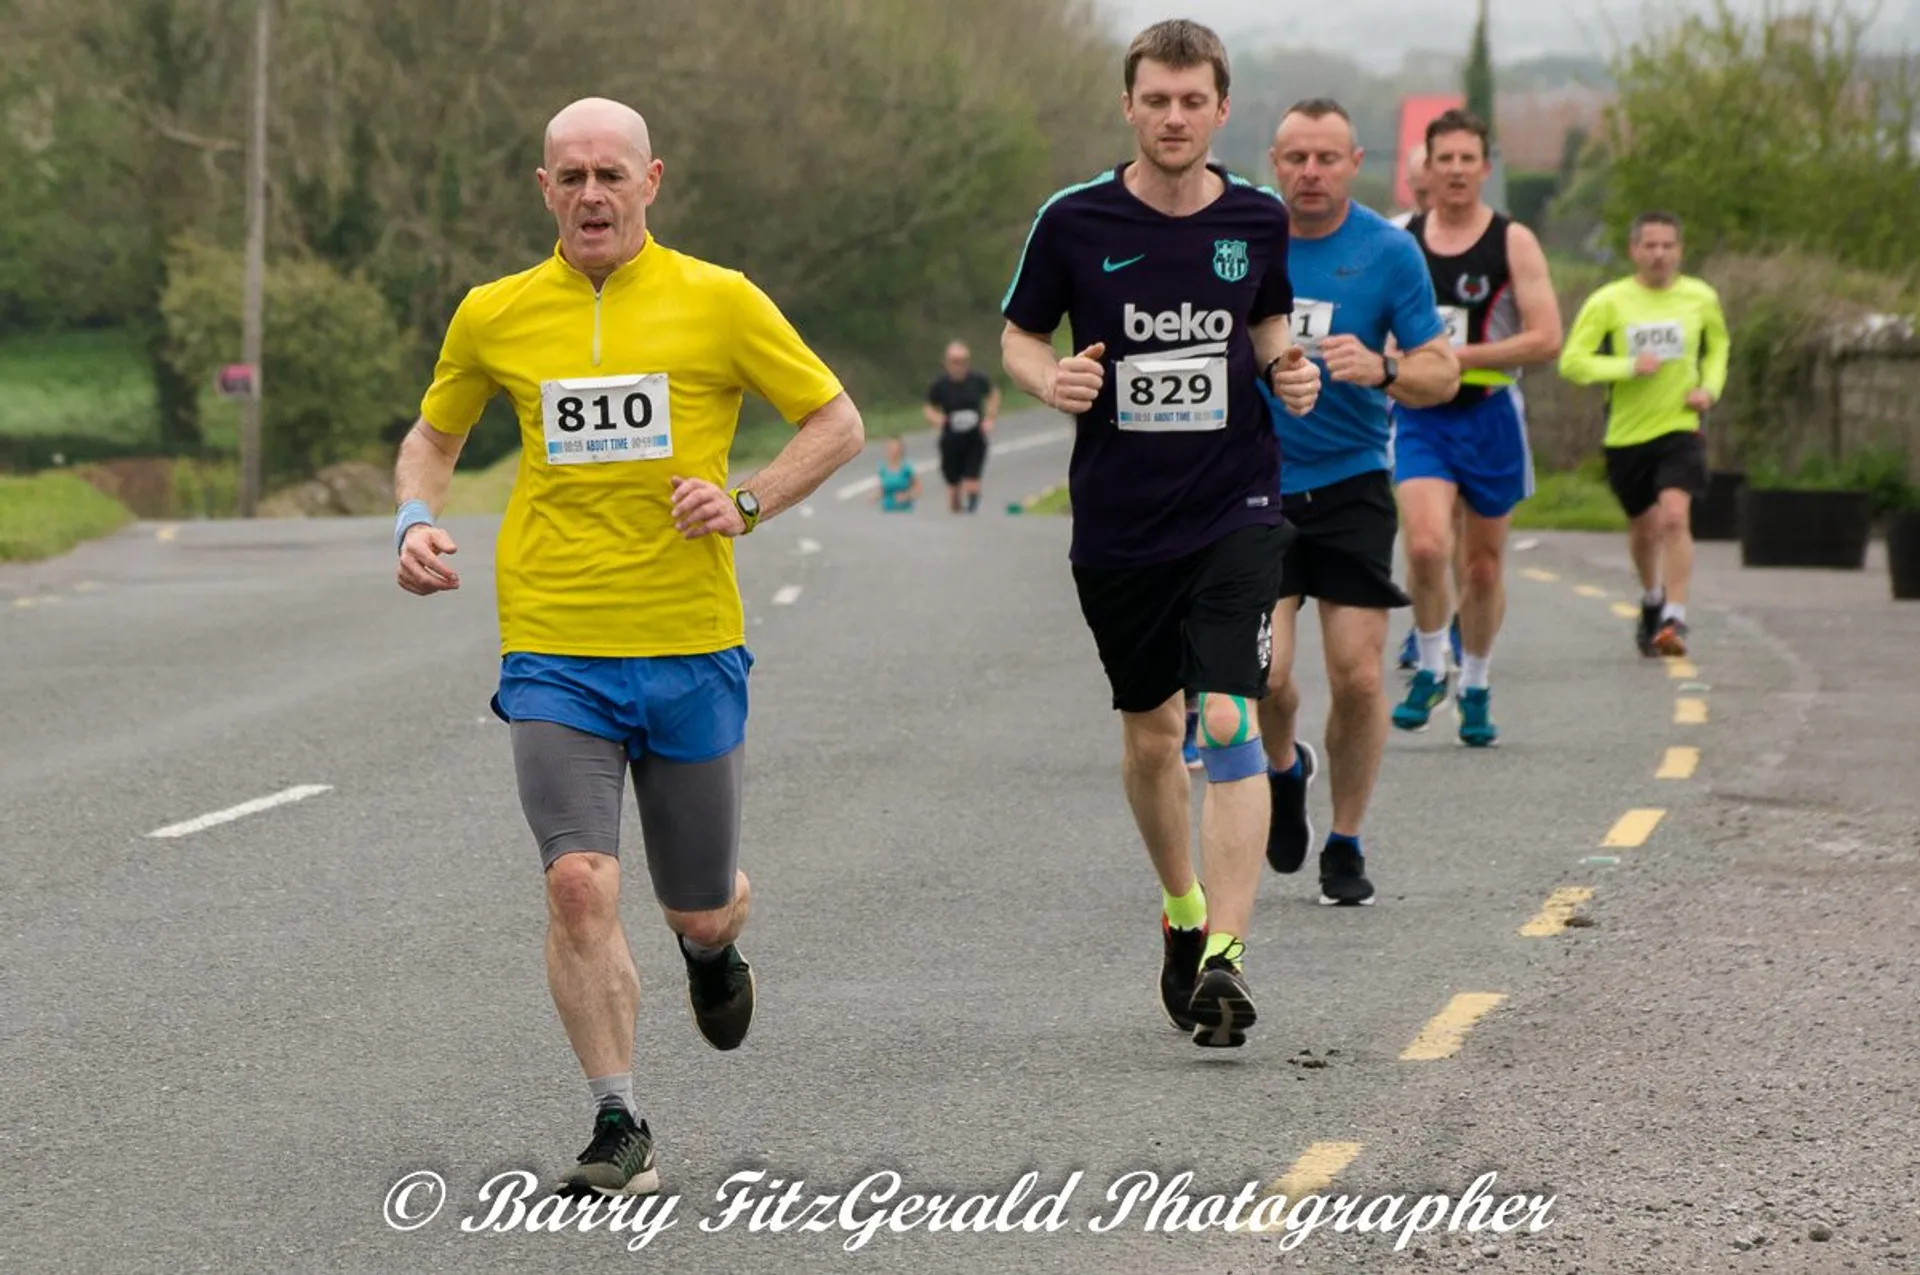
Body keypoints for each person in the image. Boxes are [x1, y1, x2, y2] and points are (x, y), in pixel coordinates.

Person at [390, 97, 863, 1198]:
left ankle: (710, 947)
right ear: (543, 189)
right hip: (554, 644)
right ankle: (620, 1119)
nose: (592, 194)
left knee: (696, 900)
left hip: (690, 643)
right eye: (572, 177)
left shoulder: (720, 299)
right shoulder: (495, 313)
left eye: (612, 174)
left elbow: (835, 422)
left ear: (652, 182)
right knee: (576, 883)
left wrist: (746, 503)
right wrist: (414, 518)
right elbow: (434, 436)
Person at [999, 19, 1321, 1049]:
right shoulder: (1073, 220)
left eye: (1192, 101)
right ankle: (1182, 907)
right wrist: (1050, 378)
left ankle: (1227, 952)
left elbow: (1266, 321)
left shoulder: (1257, 218)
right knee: (1151, 736)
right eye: (1156, 100)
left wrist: (1288, 370)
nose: (1174, 118)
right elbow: (1019, 333)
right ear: (1128, 106)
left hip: (1237, 504)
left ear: (1222, 109)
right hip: (1121, 522)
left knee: (1224, 716)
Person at [1258, 99, 1460, 906]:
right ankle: (1284, 770)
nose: (1311, 173)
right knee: (1267, 676)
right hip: (1256, 485)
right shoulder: (1244, 241)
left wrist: (1382, 369)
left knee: (1359, 676)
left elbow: (1441, 372)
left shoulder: (1387, 251)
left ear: (1355, 163)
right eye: (1296, 158)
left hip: (1350, 482)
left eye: (1327, 158)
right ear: (1274, 162)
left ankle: (1344, 839)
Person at [1390, 108, 1563, 747]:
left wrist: (1457, 357)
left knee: (1483, 568)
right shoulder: (1399, 238)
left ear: (1486, 168)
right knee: (1426, 546)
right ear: (1427, 169)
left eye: (1468, 159)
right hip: (1420, 416)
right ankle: (1431, 664)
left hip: (1489, 415)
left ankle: (1477, 683)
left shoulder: (1513, 241)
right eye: (1446, 159)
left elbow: (1547, 337)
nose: (1457, 170)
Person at [1559, 211, 1729, 658]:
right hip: (1627, 434)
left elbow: (1718, 347)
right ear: (1633, 251)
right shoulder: (1609, 301)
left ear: (1680, 250)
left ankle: (1676, 616)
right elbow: (1573, 362)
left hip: (1680, 426)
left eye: (1667, 246)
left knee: (1674, 517)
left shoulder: (1700, 297)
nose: (1659, 254)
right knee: (1643, 528)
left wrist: (1709, 389)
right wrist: (1628, 366)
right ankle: (1652, 597)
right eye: (1649, 246)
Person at [923, 341, 1001, 513]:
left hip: (974, 437)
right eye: (954, 362)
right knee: (953, 486)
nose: (958, 366)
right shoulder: (940, 385)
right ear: (946, 363)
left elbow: (993, 394)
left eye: (962, 361)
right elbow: (928, 407)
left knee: (972, 479)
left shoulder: (977, 380)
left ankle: (972, 507)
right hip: (951, 439)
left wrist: (990, 418)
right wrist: (938, 419)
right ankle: (956, 512)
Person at [1387, 142, 1431, 229]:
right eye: (1422, 194)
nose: (1430, 202)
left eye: (1436, 192)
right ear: (1410, 186)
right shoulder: (1396, 230)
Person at [873, 435, 921, 512]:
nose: (891, 450)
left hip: (905, 510)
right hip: (887, 510)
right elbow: (881, 490)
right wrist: (875, 497)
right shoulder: (882, 469)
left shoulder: (907, 468)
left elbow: (918, 489)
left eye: (894, 447)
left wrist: (906, 496)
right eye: (889, 447)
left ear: (900, 450)